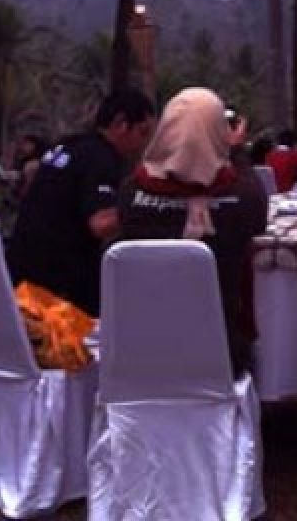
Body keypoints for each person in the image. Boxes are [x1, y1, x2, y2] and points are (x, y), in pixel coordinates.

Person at [114, 88, 266, 377]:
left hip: (142, 349)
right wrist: (235, 150)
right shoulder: (241, 197)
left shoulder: (130, 194)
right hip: (220, 353)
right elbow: (259, 217)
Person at [6, 88, 156, 316]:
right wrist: (147, 207)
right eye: (142, 133)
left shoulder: (69, 146)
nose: (143, 144)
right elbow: (101, 223)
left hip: (22, 275)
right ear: (121, 123)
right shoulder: (101, 158)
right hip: (57, 289)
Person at [12, 133, 50, 200]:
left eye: (27, 144)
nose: (22, 147)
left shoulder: (33, 164)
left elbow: (26, 189)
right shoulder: (24, 161)